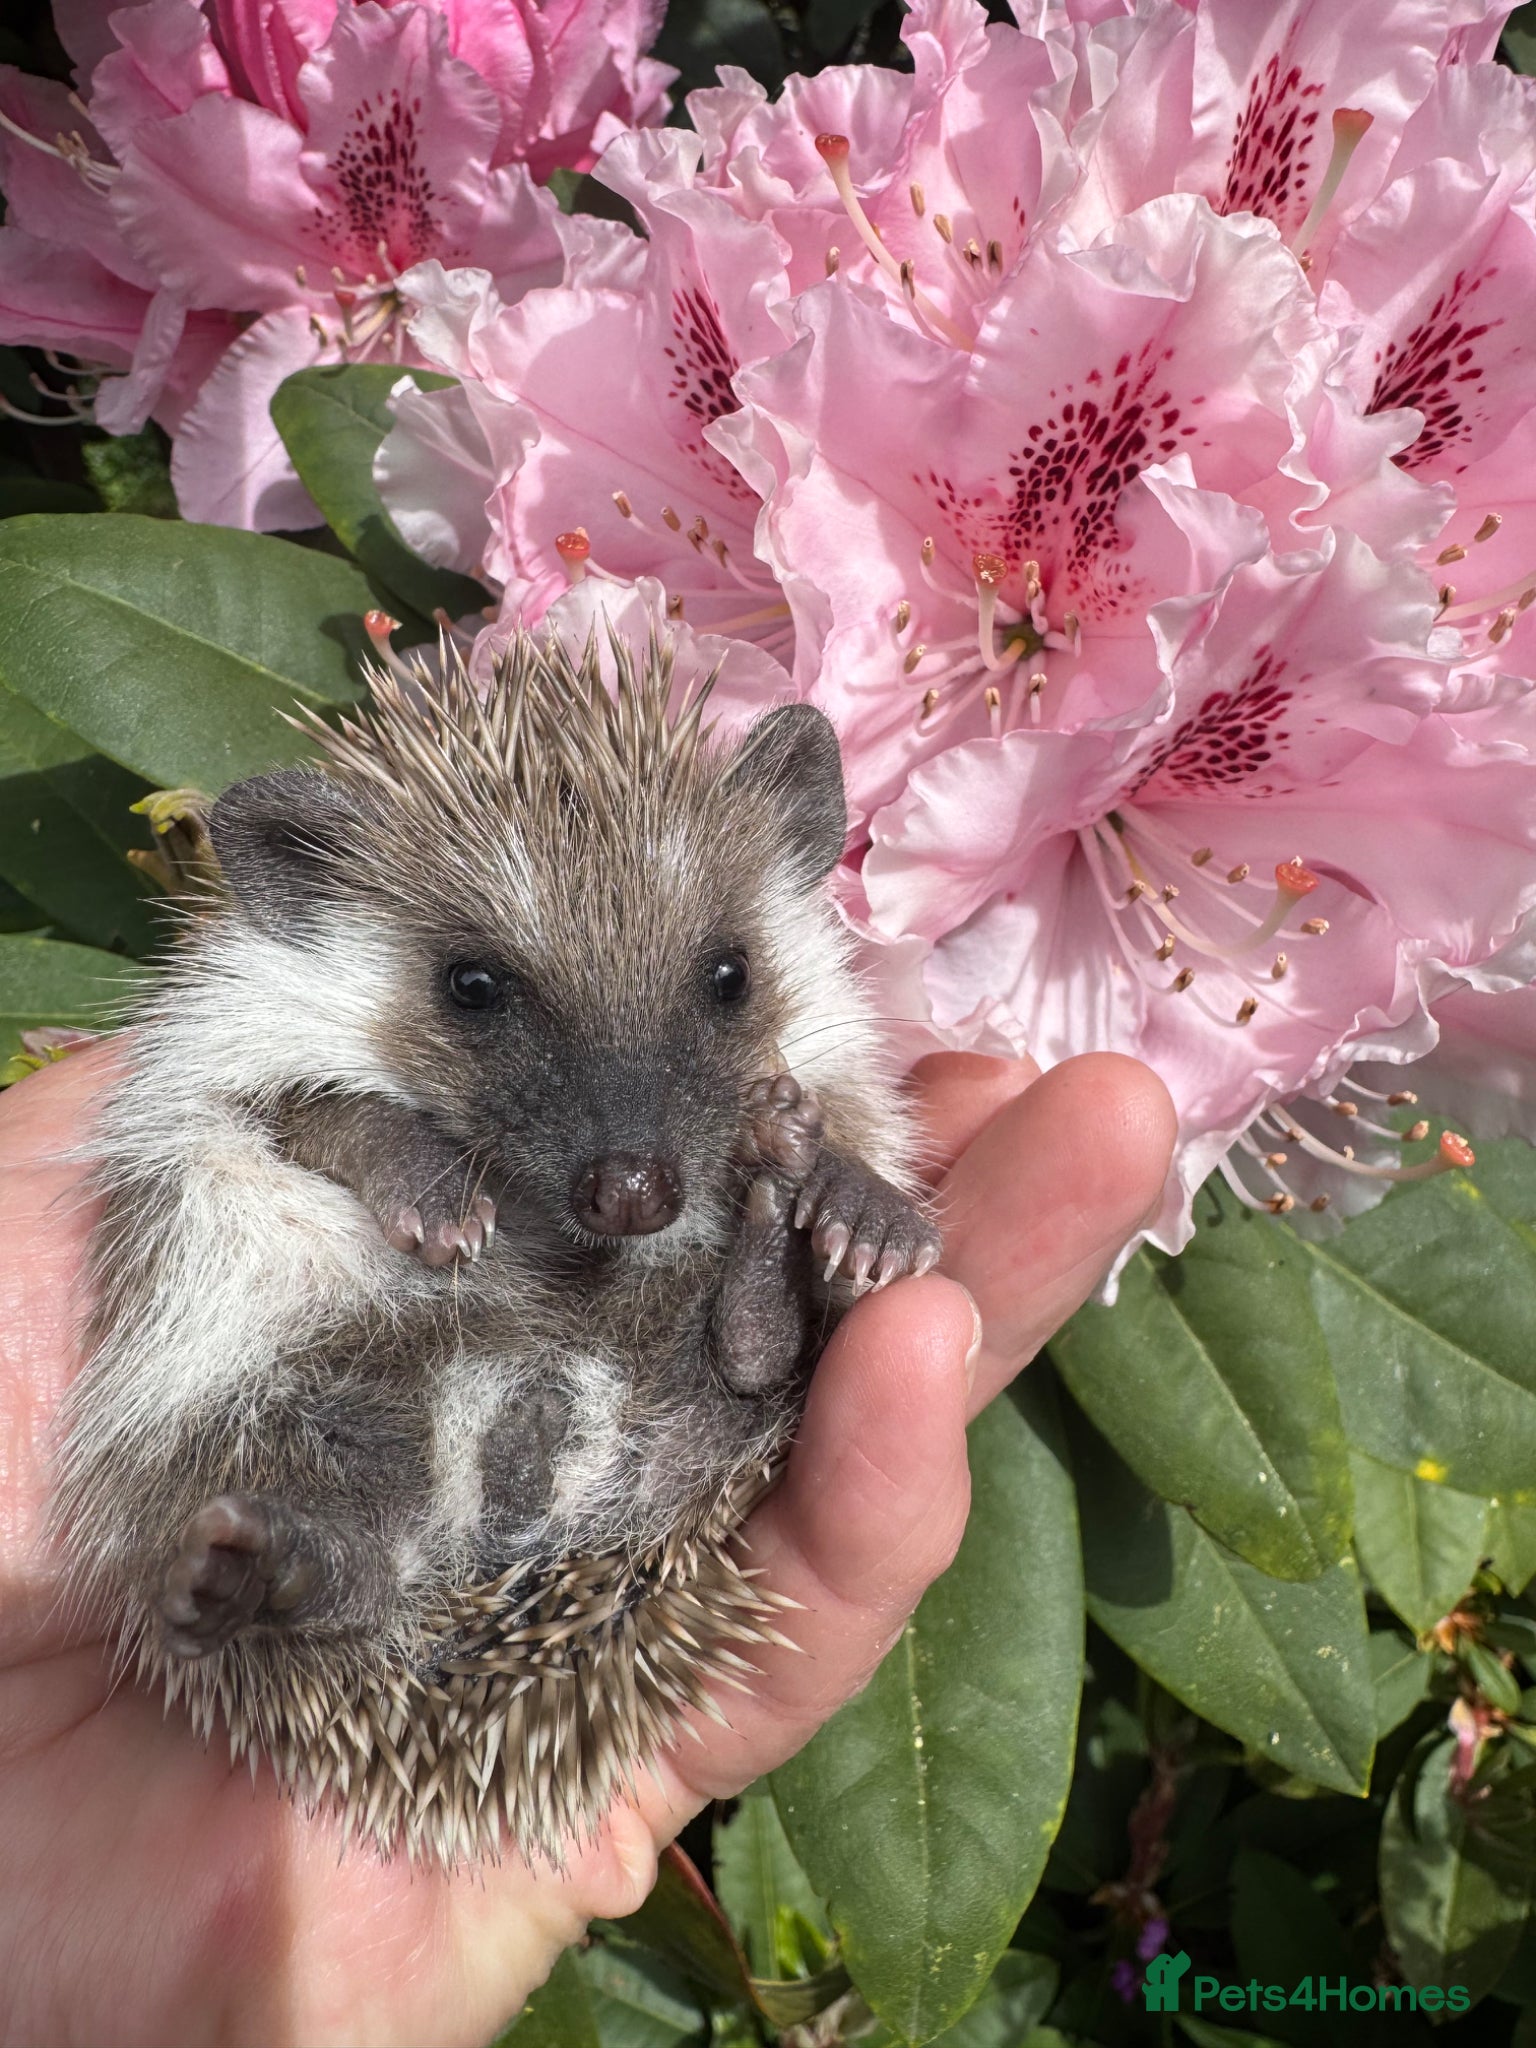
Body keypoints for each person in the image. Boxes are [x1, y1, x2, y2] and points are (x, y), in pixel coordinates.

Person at [0, 1041, 1173, 2048]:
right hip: (423, 1430)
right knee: (329, 1449)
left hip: (619, 1452)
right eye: (478, 988)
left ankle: (315, 1565)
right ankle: (308, 1576)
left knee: (745, 1388)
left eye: (717, 982)